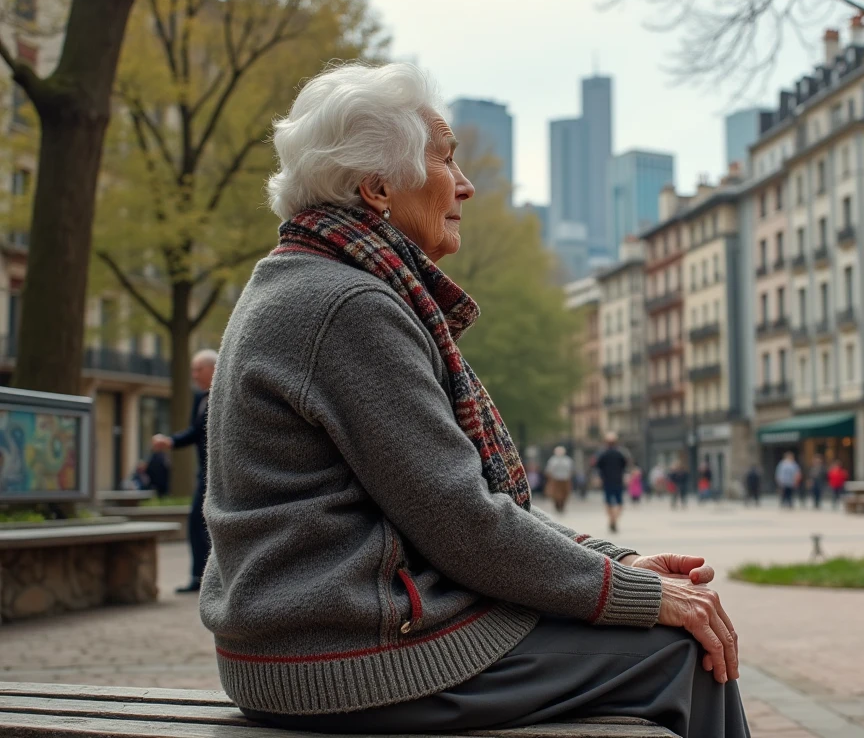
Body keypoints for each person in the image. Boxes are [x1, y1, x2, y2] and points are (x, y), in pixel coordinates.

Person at [198, 63, 748, 736]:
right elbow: (462, 523)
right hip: (348, 656)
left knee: (646, 636)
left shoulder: (303, 279)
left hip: (304, 644)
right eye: (446, 159)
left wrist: (615, 560)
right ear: (377, 188)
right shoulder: (348, 305)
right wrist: (637, 595)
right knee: (683, 651)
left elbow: (452, 506)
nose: (466, 184)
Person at [153, 349, 216, 594]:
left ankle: (208, 579)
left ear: (212, 369)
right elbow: (195, 432)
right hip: (205, 473)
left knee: (201, 522)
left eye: (198, 369)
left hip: (218, 473)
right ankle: (199, 577)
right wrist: (171, 442)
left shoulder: (222, 396)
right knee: (196, 521)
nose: (193, 375)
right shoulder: (199, 399)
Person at [594, 433, 629, 533]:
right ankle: (614, 520)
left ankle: (611, 519)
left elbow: (598, 468)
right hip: (618, 481)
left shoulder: (602, 453)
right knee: (619, 503)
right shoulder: (621, 453)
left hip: (607, 481)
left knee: (608, 502)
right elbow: (625, 467)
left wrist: (598, 479)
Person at [543, 446, 574, 514]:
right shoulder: (552, 460)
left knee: (564, 494)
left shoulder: (567, 460)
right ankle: (557, 506)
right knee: (555, 494)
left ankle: (562, 506)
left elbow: (571, 470)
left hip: (565, 479)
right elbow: (549, 470)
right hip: (555, 480)